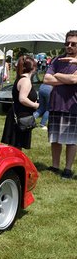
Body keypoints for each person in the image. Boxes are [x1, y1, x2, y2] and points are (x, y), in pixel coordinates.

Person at [43, 30, 77, 180]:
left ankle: (68, 169)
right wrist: (67, 78)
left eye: (73, 44)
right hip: (56, 104)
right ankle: (55, 166)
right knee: (55, 138)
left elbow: (75, 81)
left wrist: (57, 75)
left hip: (73, 105)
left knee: (71, 140)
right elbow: (46, 79)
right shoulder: (57, 60)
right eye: (67, 43)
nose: (69, 46)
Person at [1, 56, 39, 150]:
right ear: (33, 68)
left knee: (15, 147)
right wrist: (35, 105)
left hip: (19, 116)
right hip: (20, 117)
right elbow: (22, 99)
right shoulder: (25, 81)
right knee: (16, 147)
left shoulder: (21, 78)